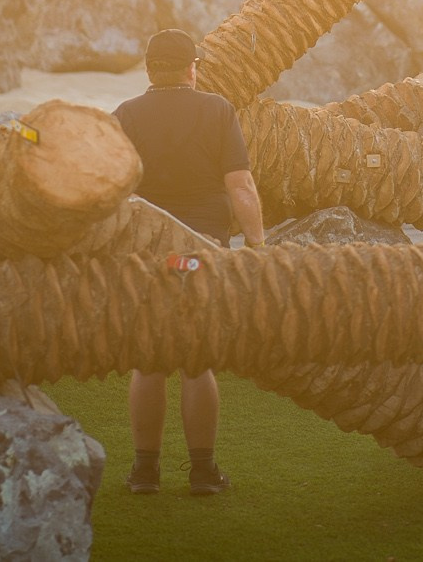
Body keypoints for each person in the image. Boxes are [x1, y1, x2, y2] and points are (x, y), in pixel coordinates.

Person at [113, 29, 267, 497]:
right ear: (191, 68)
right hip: (200, 257)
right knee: (197, 363)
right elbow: (241, 185)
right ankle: (202, 472)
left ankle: (145, 473)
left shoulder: (126, 115)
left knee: (148, 362)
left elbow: (110, 188)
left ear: (149, 69)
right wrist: (257, 245)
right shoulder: (217, 110)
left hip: (147, 258)